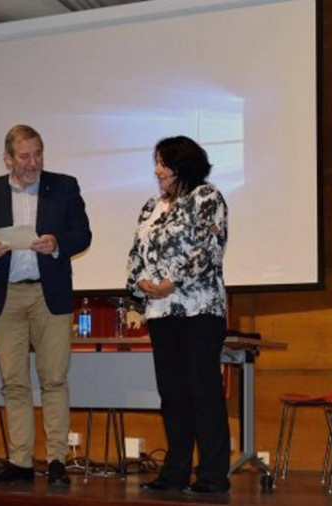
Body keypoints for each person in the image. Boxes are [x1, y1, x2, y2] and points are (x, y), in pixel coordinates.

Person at [0, 125, 92, 487]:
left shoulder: (64, 185)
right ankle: (20, 461)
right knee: (14, 382)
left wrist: (56, 243)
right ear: (8, 158)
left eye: (38, 154)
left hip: (48, 293)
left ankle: (55, 460)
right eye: (24, 156)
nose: (33, 162)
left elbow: (82, 234)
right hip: (6, 295)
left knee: (54, 379)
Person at [127, 135, 231, 495]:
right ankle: (174, 473)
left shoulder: (207, 197)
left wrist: (172, 282)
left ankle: (213, 475)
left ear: (182, 165)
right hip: (160, 312)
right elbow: (135, 255)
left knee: (204, 391)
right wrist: (142, 283)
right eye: (156, 162)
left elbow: (210, 249)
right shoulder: (150, 207)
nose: (157, 171)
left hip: (200, 309)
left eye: (163, 163)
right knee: (172, 394)